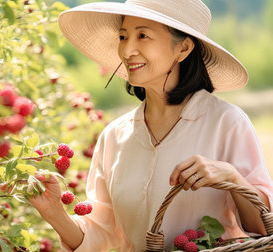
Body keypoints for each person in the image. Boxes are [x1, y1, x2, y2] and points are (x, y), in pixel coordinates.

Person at [30, 0, 273, 251]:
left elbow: (264, 229)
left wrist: (231, 176)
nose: (127, 50)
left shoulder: (227, 122)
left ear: (183, 48)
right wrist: (55, 214)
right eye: (123, 37)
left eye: (143, 35)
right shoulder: (114, 136)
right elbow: (100, 237)